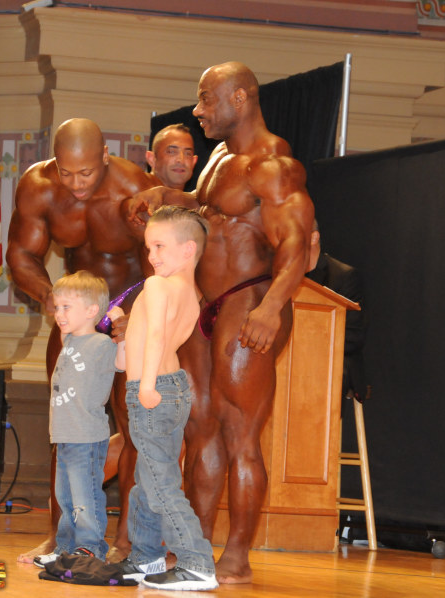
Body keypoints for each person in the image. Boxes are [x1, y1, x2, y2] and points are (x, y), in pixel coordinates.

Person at [128, 61, 315, 584]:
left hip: (247, 300)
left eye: (206, 98)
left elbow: (296, 242)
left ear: (239, 98)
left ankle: (237, 554)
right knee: (200, 426)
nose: (198, 110)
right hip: (206, 304)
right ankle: (195, 546)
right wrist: (166, 197)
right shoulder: (218, 157)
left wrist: (271, 307)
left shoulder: (273, 164)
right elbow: (206, 209)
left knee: (239, 433)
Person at [6, 118, 161, 562]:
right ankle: (60, 539)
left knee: (133, 430)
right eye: (67, 172)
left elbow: (159, 260)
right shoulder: (38, 186)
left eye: (86, 173)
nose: (76, 184)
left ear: (106, 157)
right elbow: (21, 253)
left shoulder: (134, 187)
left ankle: (127, 540)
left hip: (128, 312)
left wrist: (138, 316)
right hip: (75, 319)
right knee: (65, 426)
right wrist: (51, 298)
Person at [113, 205, 217, 591]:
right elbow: (141, 343)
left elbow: (157, 336)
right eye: (148, 247)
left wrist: (145, 386)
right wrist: (123, 337)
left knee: (159, 483)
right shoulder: (190, 293)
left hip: (154, 390)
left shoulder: (157, 286)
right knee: (148, 477)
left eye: (159, 246)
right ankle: (145, 557)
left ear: (188, 249)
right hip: (172, 389)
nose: (152, 255)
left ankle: (196, 562)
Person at [35, 271, 117, 568]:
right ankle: (65, 548)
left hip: (86, 435)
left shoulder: (102, 344)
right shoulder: (69, 340)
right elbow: (64, 328)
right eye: (57, 307)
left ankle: (90, 547)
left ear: (92, 310)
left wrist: (119, 324)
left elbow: (123, 363)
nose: (59, 314)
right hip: (64, 435)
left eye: (67, 307)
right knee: (65, 498)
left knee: (85, 497)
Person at [305, 219, 369, 403]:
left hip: (334, 360)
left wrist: (308, 345)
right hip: (294, 359)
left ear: (313, 238)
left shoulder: (344, 276)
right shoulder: (283, 279)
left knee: (318, 373)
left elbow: (353, 336)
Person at [146, 124, 198, 191]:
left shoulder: (198, 197)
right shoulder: (136, 191)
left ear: (193, 162)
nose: (181, 160)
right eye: (171, 152)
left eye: (188, 154)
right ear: (152, 159)